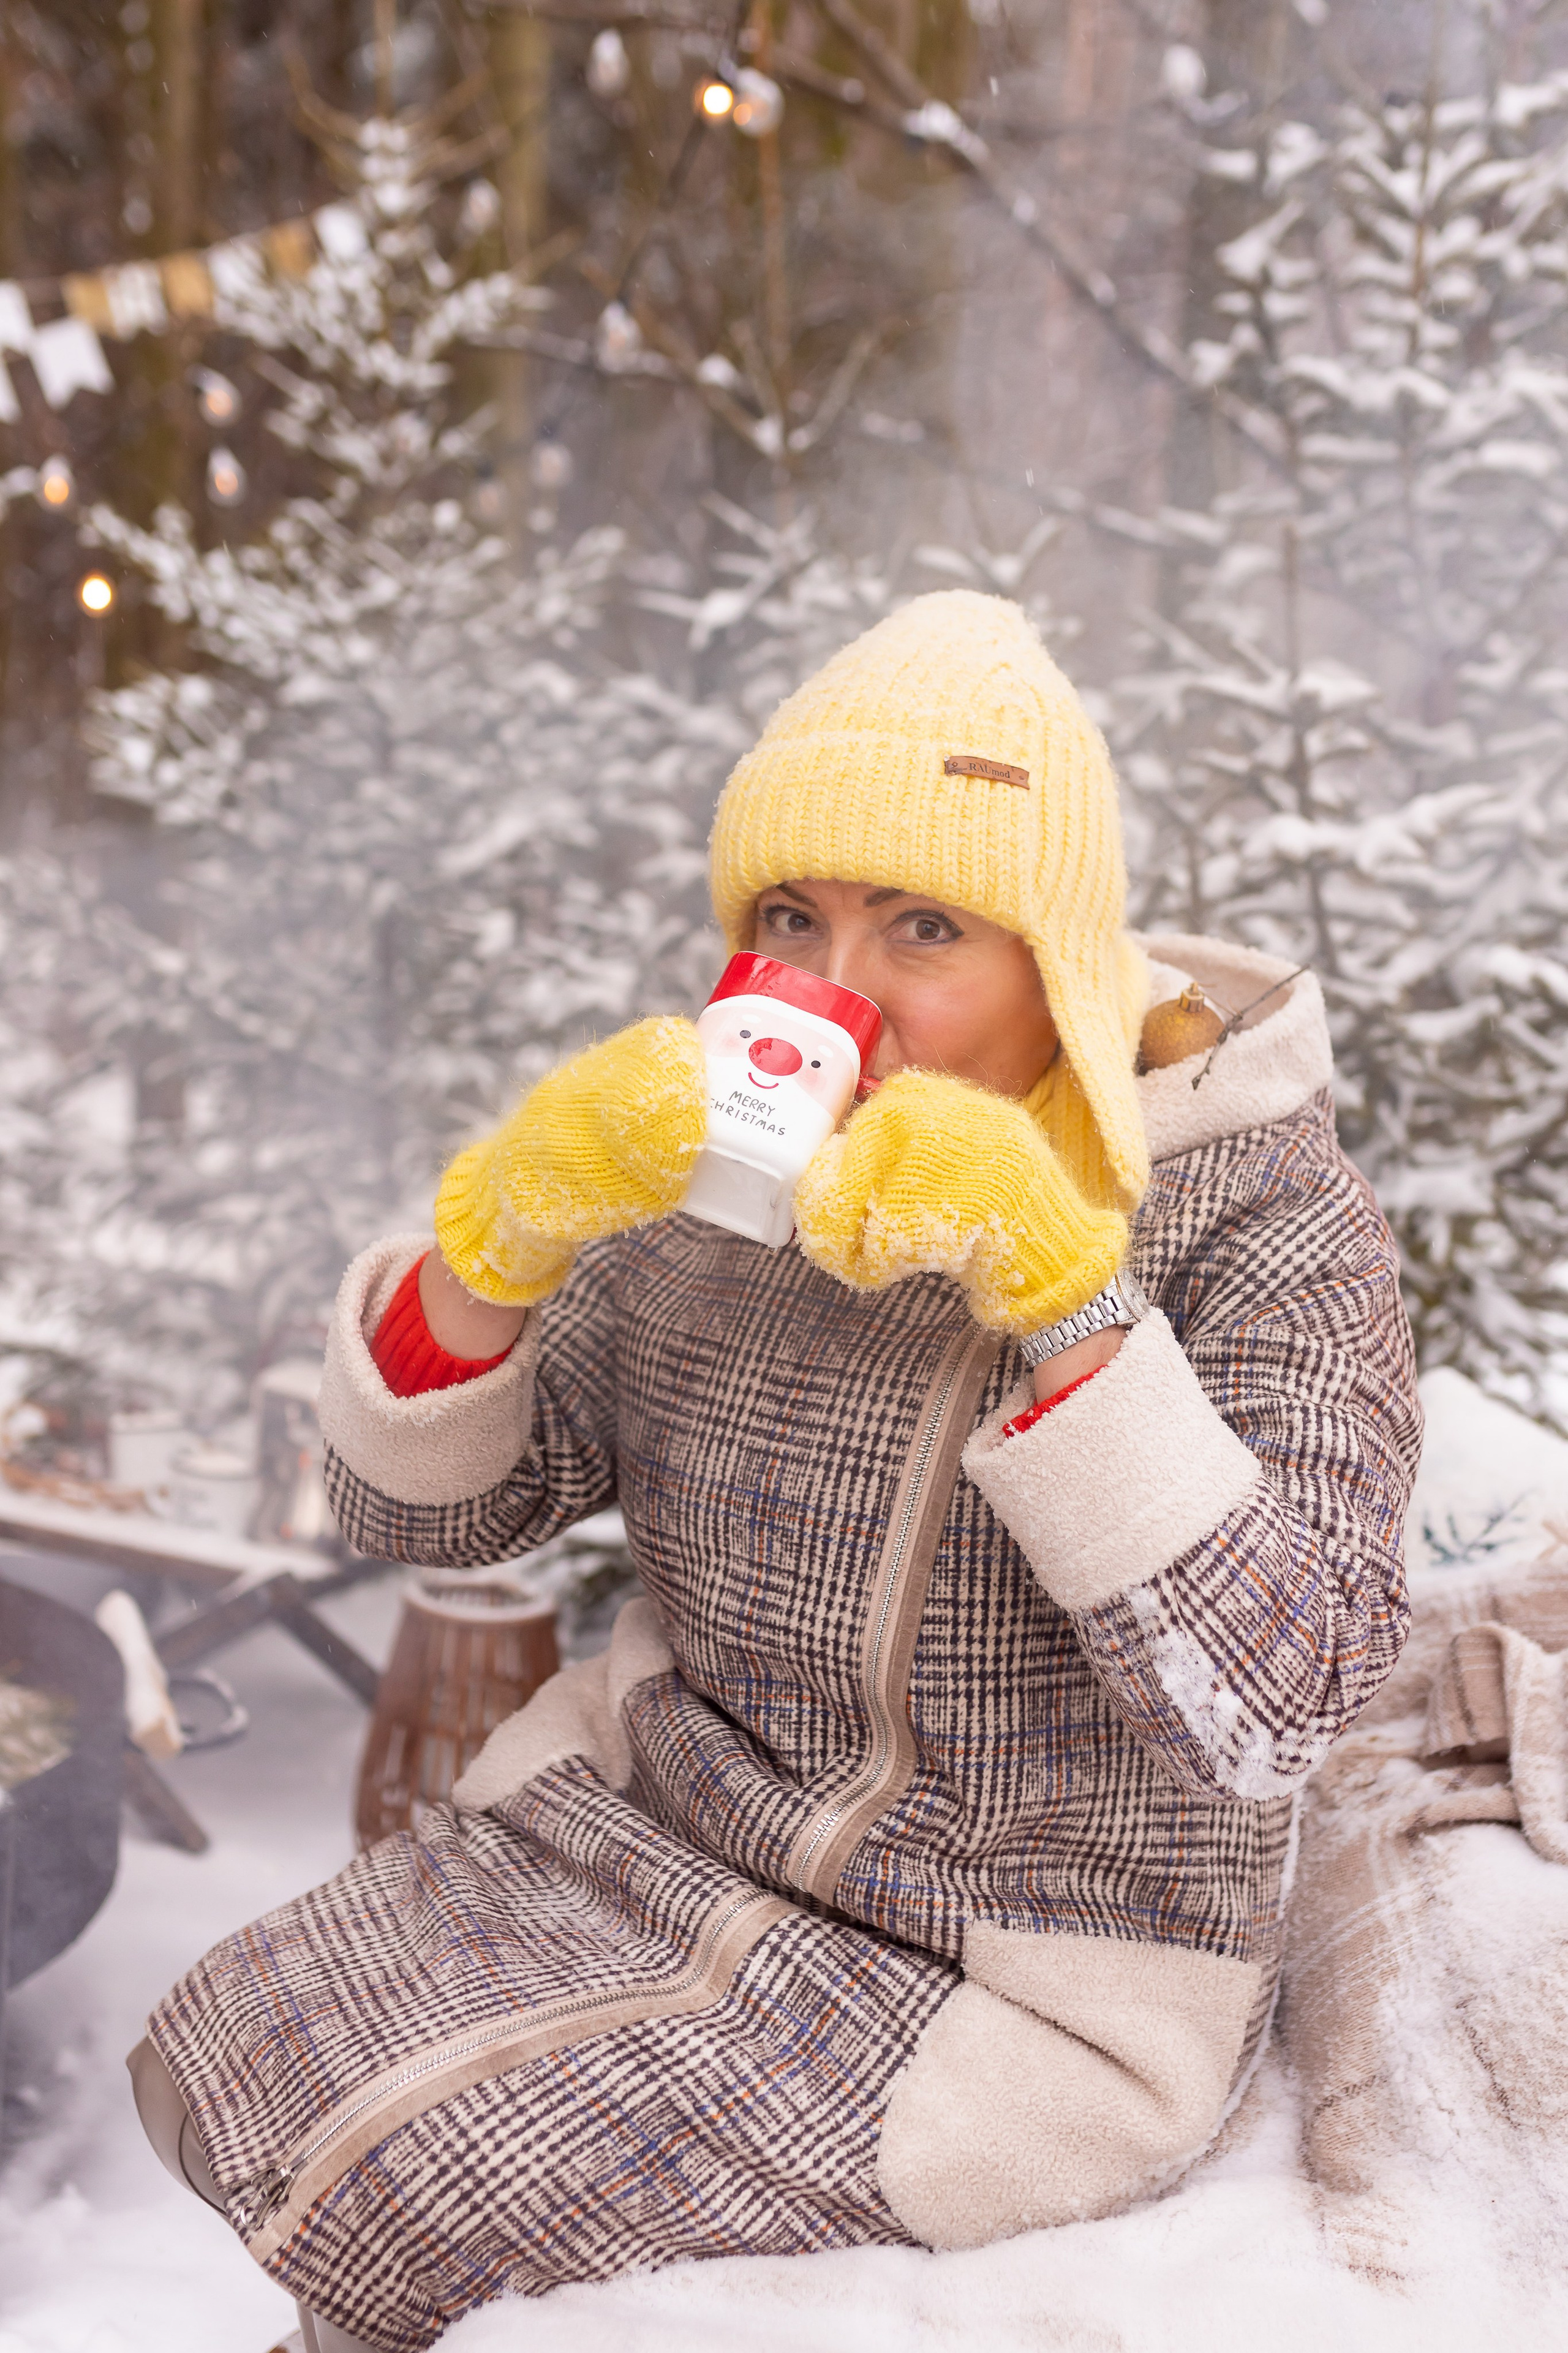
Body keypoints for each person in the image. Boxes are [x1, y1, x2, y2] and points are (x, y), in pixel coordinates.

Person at [132, 592, 1421, 2353]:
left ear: (1056, 953)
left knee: (412, 2172)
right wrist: (495, 1241)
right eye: (794, 918)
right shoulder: (739, 1181)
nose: (848, 990)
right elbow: (419, 1516)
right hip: (659, 1837)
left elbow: (1287, 1700)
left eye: (925, 924)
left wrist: (1066, 1295)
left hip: (1020, 1985)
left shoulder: (1259, 1208)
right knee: (248, 2033)